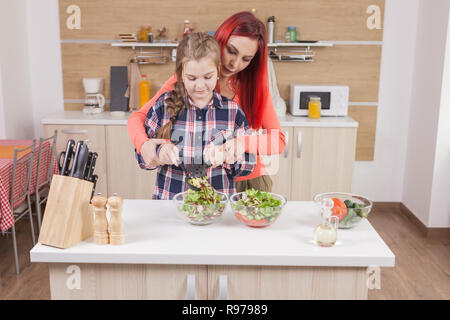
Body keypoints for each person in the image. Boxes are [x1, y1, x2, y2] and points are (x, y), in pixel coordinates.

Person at [127, 11, 286, 193]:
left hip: (249, 182)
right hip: (199, 185)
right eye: (231, 51)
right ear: (220, 41)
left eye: (246, 59)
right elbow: (137, 118)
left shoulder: (253, 86)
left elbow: (278, 140)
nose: (234, 64)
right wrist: (145, 144)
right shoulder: (190, 79)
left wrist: (241, 142)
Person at [136, 32, 256, 199]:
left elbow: (248, 165)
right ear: (181, 75)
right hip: (170, 207)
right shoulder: (163, 106)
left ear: (218, 71)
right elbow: (142, 159)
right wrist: (158, 153)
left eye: (208, 77)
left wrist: (232, 155)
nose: (200, 85)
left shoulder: (232, 112)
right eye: (192, 78)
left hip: (217, 209)